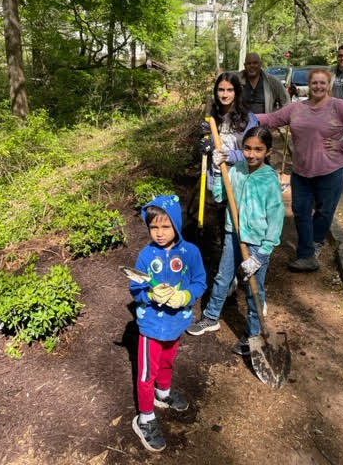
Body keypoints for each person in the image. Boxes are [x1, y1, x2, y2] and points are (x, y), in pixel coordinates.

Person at [256, 68, 343, 272]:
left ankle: (316, 242)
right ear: (309, 85)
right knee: (300, 211)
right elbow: (271, 120)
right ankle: (306, 255)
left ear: (328, 85)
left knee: (324, 211)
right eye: (314, 83)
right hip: (302, 171)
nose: (318, 86)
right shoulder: (296, 108)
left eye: (322, 83)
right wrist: (242, 116)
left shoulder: (338, 106)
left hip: (332, 170)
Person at [188, 127, 285, 356]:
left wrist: (262, 253)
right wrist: (219, 171)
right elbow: (221, 197)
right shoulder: (236, 170)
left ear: (268, 151)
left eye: (258, 150)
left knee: (254, 290)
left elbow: (276, 218)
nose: (251, 154)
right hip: (234, 235)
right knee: (222, 277)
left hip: (258, 243)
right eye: (248, 148)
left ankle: (252, 334)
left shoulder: (269, 179)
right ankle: (211, 317)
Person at [130, 194, 206, 453]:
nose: (159, 233)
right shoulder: (144, 255)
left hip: (177, 321)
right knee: (146, 372)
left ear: (176, 223)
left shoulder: (191, 252)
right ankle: (145, 418)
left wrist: (185, 296)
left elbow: (199, 281)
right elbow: (135, 287)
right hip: (151, 325)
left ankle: (163, 393)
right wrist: (148, 294)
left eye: (165, 226)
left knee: (168, 360)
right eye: (154, 227)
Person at [199, 72, 258, 188]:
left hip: (241, 180)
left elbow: (254, 154)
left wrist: (227, 156)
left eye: (230, 90)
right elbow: (205, 153)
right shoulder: (211, 119)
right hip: (217, 179)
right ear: (216, 92)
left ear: (236, 92)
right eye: (221, 90)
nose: (225, 95)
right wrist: (205, 145)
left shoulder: (249, 119)